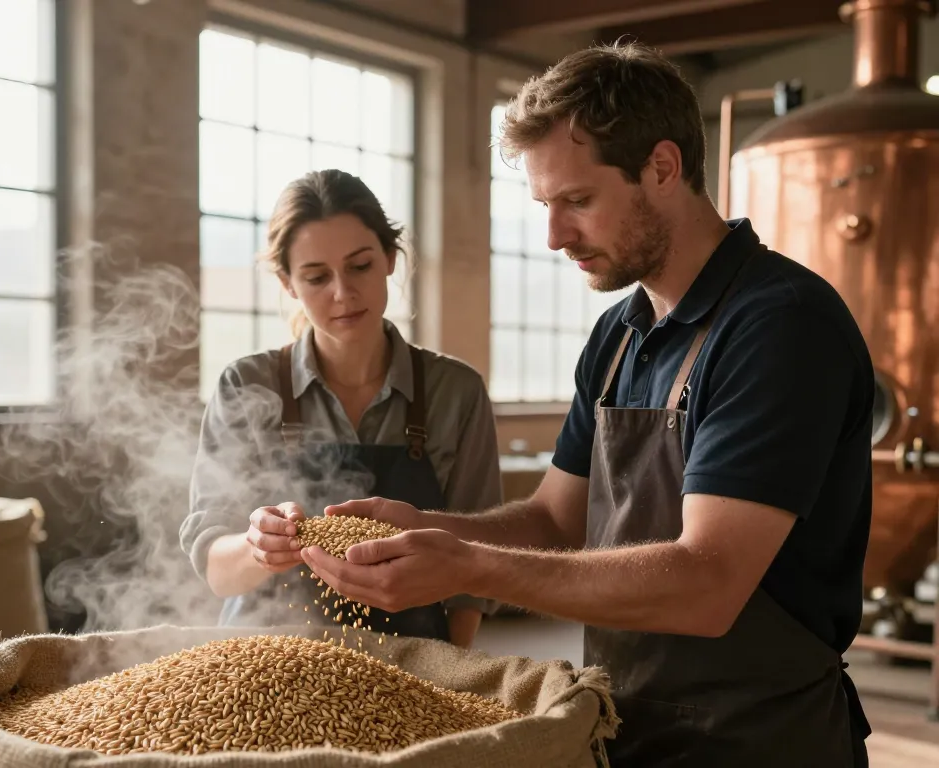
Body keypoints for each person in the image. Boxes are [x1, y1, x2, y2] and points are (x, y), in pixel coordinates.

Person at [298, 44, 875, 766]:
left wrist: (464, 566)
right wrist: (425, 527)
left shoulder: (779, 325)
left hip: (759, 740)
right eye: (545, 205)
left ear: (663, 168)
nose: (553, 236)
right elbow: (553, 518)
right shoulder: (618, 334)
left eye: (577, 201)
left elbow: (708, 583)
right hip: (624, 724)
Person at [180, 169, 501, 649]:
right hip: (262, 667)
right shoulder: (246, 386)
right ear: (288, 282)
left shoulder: (456, 392)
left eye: (360, 266)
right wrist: (259, 547)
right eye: (315, 276)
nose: (342, 293)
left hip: (413, 668)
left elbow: (478, 563)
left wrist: (444, 675)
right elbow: (217, 571)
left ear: (391, 259)